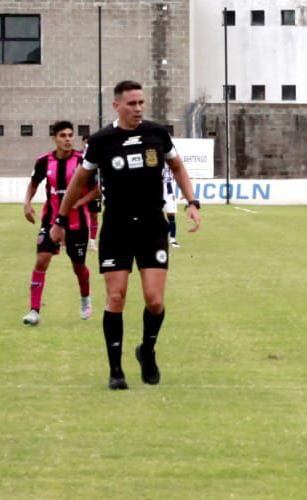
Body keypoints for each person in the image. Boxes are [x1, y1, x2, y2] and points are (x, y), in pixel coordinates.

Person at [50, 80, 201, 390]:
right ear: (116, 105)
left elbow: (178, 167)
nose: (138, 108)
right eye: (131, 103)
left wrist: (192, 201)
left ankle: (146, 350)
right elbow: (79, 181)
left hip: (152, 227)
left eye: (141, 103)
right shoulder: (102, 141)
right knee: (116, 297)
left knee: (154, 300)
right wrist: (61, 219)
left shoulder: (157, 133)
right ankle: (115, 370)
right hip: (117, 228)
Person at [22, 120, 100, 325]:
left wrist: (79, 202)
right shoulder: (43, 161)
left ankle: (85, 297)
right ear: (54, 138)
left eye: (69, 135)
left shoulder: (83, 161)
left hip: (78, 223)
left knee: (78, 266)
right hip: (50, 221)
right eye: (62, 136)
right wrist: (27, 204)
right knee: (41, 260)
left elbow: (97, 189)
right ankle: (34, 311)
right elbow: (34, 183)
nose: (67, 139)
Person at [162, 164, 180, 247]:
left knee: (171, 214)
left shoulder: (170, 159)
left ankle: (172, 239)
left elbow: (178, 172)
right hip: (156, 188)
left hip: (168, 189)